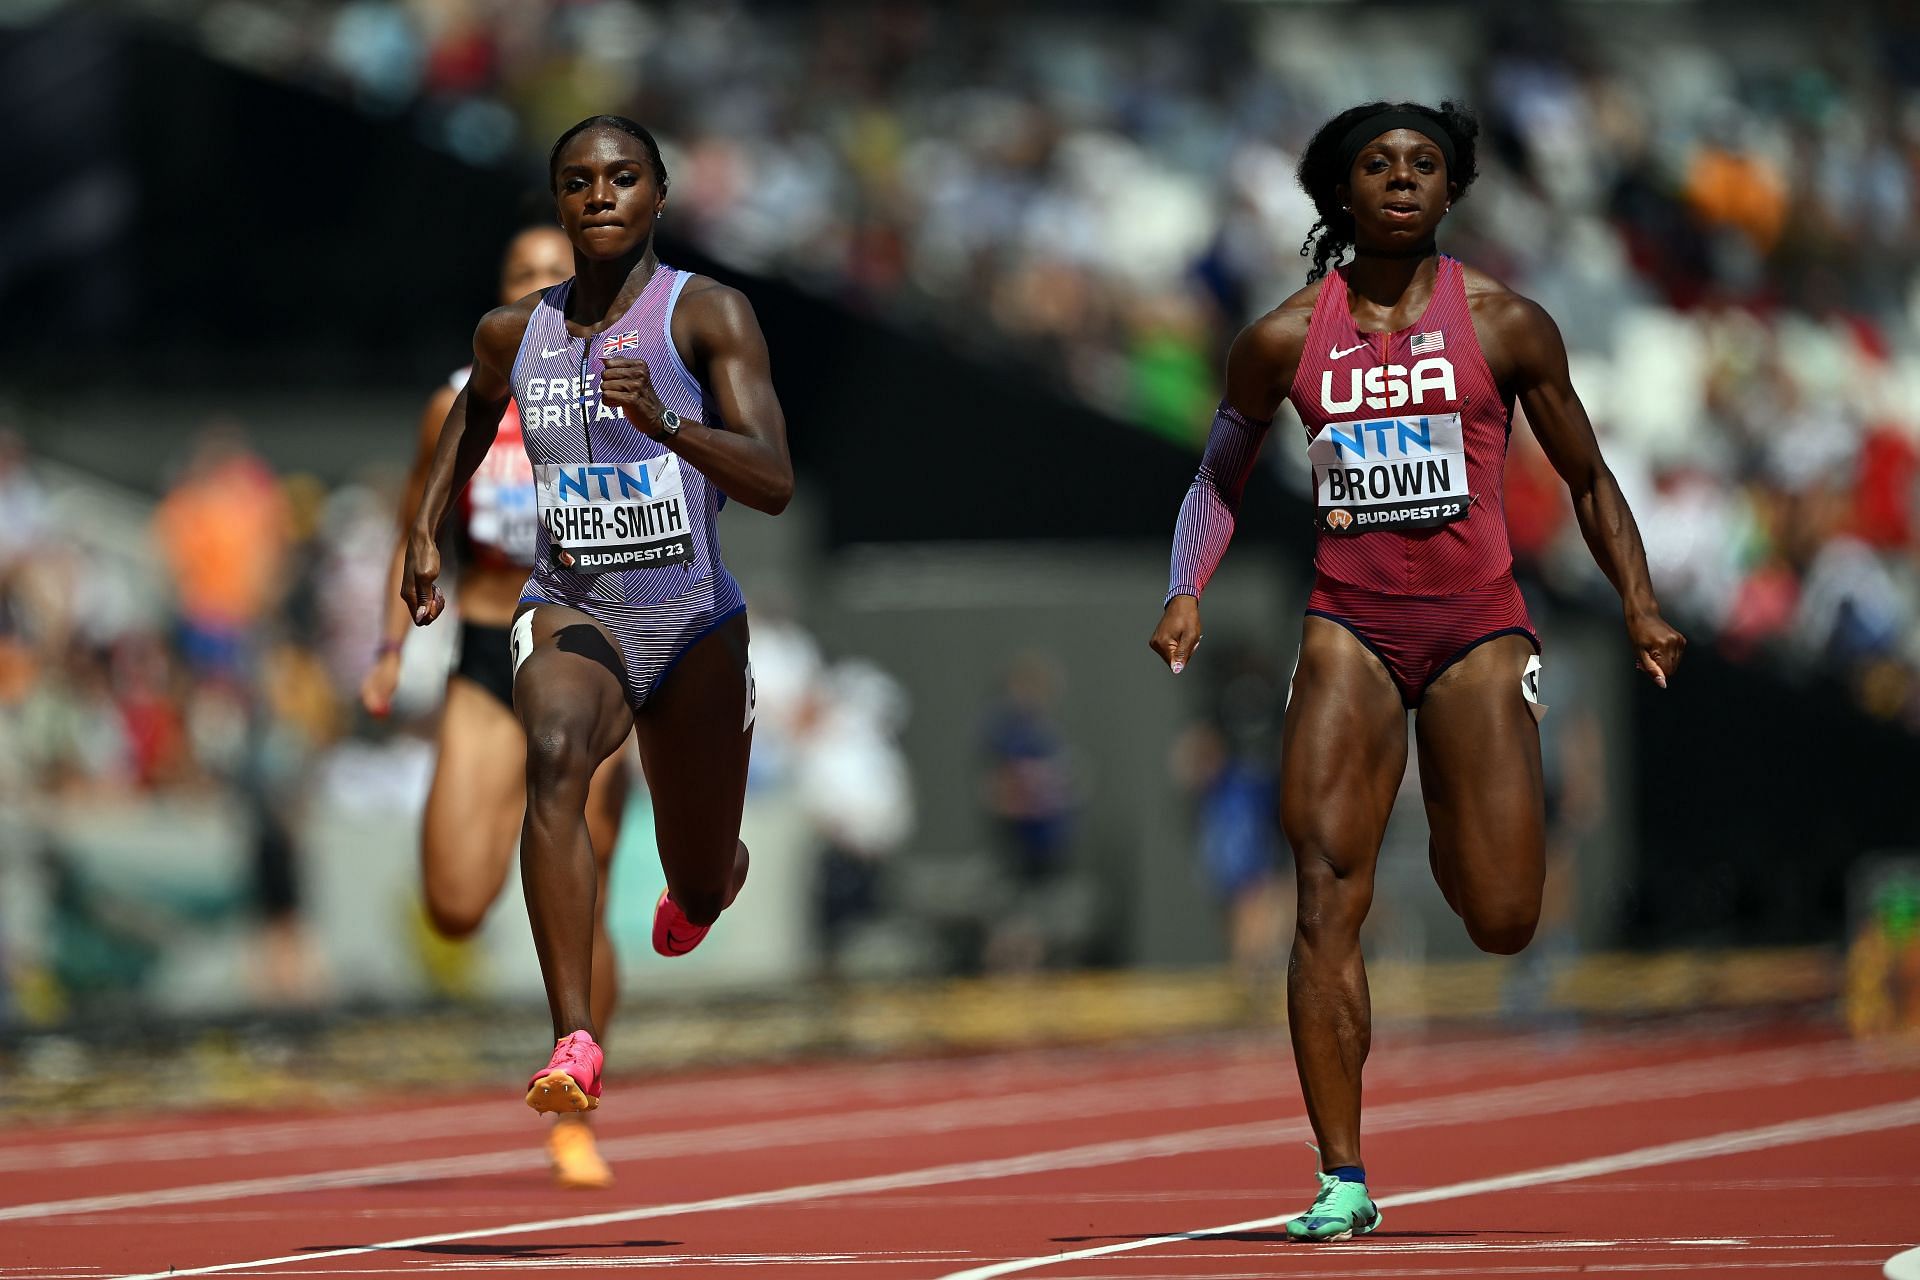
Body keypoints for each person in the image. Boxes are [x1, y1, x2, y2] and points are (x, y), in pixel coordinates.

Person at [1148, 100, 1685, 1242]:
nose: (1401, 179)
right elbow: (1216, 473)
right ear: (1340, 195)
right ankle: (1340, 1175)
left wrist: (1640, 600)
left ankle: (1450, 796)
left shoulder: (1506, 323)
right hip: (1348, 626)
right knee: (1324, 892)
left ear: (1453, 190)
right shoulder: (1286, 337)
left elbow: (1588, 479)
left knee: (1500, 914)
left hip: (1479, 629)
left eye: (1424, 164)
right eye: (1378, 165)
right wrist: (1187, 586)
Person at [401, 115, 792, 1124]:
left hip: (696, 622)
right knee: (558, 751)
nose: (600, 194)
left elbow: (776, 479)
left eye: (623, 177)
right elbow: (469, 417)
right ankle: (574, 1034)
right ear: (561, 201)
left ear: (659, 195)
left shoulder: (705, 316)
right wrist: (424, 529)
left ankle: (709, 881)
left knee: (696, 875)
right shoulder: (512, 333)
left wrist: (668, 423)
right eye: (578, 181)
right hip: (575, 613)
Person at [361, 222, 630, 1188]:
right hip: (485, 652)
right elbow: (414, 526)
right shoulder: (459, 402)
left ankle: (577, 1082)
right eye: (522, 277)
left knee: (580, 886)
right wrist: (391, 652)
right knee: (455, 903)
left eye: (556, 276)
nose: (541, 291)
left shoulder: (629, 393)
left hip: (590, 653)